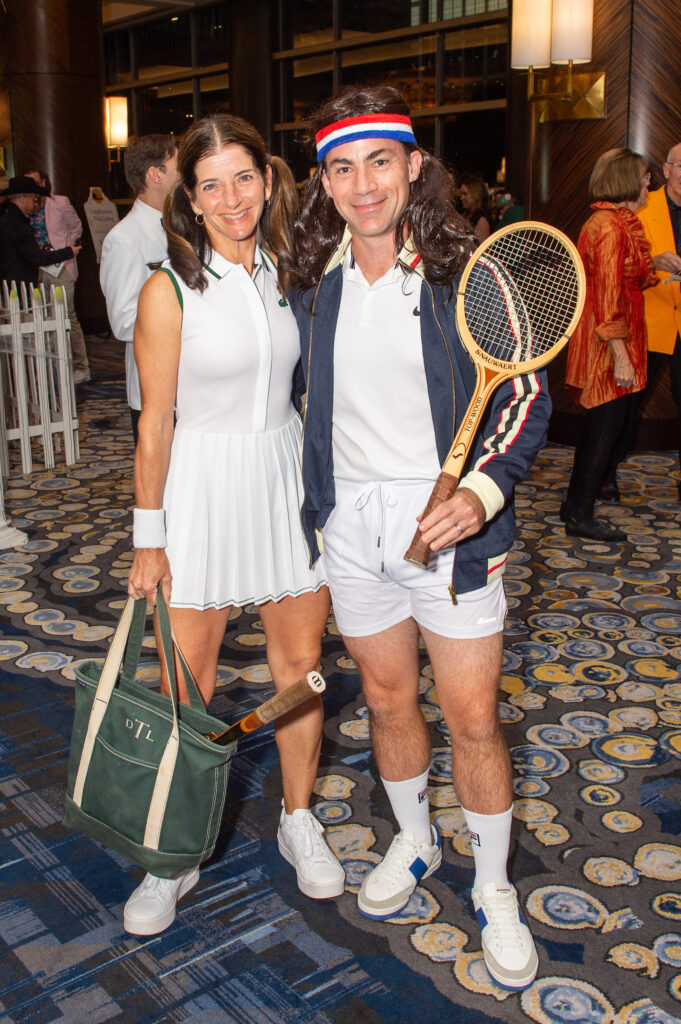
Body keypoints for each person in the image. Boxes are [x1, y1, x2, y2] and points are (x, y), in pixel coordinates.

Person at [286, 84, 551, 992]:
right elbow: (302, 406)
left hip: (449, 528)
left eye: (379, 163)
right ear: (324, 181)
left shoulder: (469, 276)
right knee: (388, 701)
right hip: (352, 527)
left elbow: (523, 398)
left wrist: (479, 498)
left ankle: (492, 888)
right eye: (341, 167)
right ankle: (413, 838)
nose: (362, 186)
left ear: (414, 167)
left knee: (473, 718)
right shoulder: (310, 288)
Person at [125, 114, 344, 937]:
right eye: (210, 184)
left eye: (242, 178)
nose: (230, 198)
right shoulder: (168, 287)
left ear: (268, 178)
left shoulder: (292, 273)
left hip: (281, 478)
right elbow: (153, 425)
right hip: (201, 487)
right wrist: (150, 535)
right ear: (189, 195)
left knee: (299, 665)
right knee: (189, 685)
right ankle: (170, 853)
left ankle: (296, 818)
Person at [562, 148, 656, 540]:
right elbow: (606, 296)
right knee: (606, 430)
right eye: (645, 175)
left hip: (612, 338)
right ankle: (580, 515)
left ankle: (574, 504)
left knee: (601, 428)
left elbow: (625, 280)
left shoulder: (612, 221)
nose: (650, 182)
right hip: (608, 345)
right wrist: (621, 355)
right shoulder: (611, 227)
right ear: (626, 180)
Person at [607, 142, 681, 500]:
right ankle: (607, 472)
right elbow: (626, 268)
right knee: (628, 407)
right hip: (650, 323)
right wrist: (657, 264)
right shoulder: (641, 208)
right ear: (666, 170)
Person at [100, 134, 180, 443]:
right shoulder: (124, 239)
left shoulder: (187, 226)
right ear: (155, 174)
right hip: (155, 389)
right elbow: (122, 322)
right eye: (178, 167)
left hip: (195, 388)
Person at [25, 169, 90, 384]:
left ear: (44, 182)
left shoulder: (59, 202)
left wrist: (67, 249)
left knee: (68, 316)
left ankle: (80, 366)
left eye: (35, 182)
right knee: (45, 319)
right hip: (39, 268)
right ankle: (56, 366)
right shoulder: (25, 208)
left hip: (61, 266)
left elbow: (76, 227)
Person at [0, 176, 81, 292]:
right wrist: (69, 251)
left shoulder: (8, 219)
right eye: (33, 198)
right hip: (19, 288)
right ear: (22, 199)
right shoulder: (17, 224)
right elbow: (37, 258)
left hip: (10, 285)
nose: (35, 203)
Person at [459, 173, 492, 243]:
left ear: (476, 195)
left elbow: (479, 250)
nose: (461, 198)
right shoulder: (464, 215)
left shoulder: (482, 221)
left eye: (465, 194)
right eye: (461, 194)